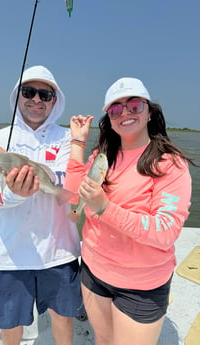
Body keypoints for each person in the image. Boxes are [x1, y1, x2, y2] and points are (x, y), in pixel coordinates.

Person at [64, 77, 193, 345]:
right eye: (115, 109)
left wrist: (105, 208)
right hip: (94, 271)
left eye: (134, 105)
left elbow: (165, 231)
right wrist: (77, 144)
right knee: (103, 339)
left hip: (141, 286)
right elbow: (75, 196)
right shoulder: (103, 154)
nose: (125, 112)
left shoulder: (169, 163)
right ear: (109, 118)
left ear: (149, 112)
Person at [0, 65, 84, 345]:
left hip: (59, 251)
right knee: (10, 321)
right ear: (18, 95)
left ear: (55, 100)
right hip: (9, 254)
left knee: (63, 315)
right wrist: (16, 192)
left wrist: (37, 181)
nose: (36, 99)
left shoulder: (67, 139)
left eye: (45, 94)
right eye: (29, 92)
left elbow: (71, 183)